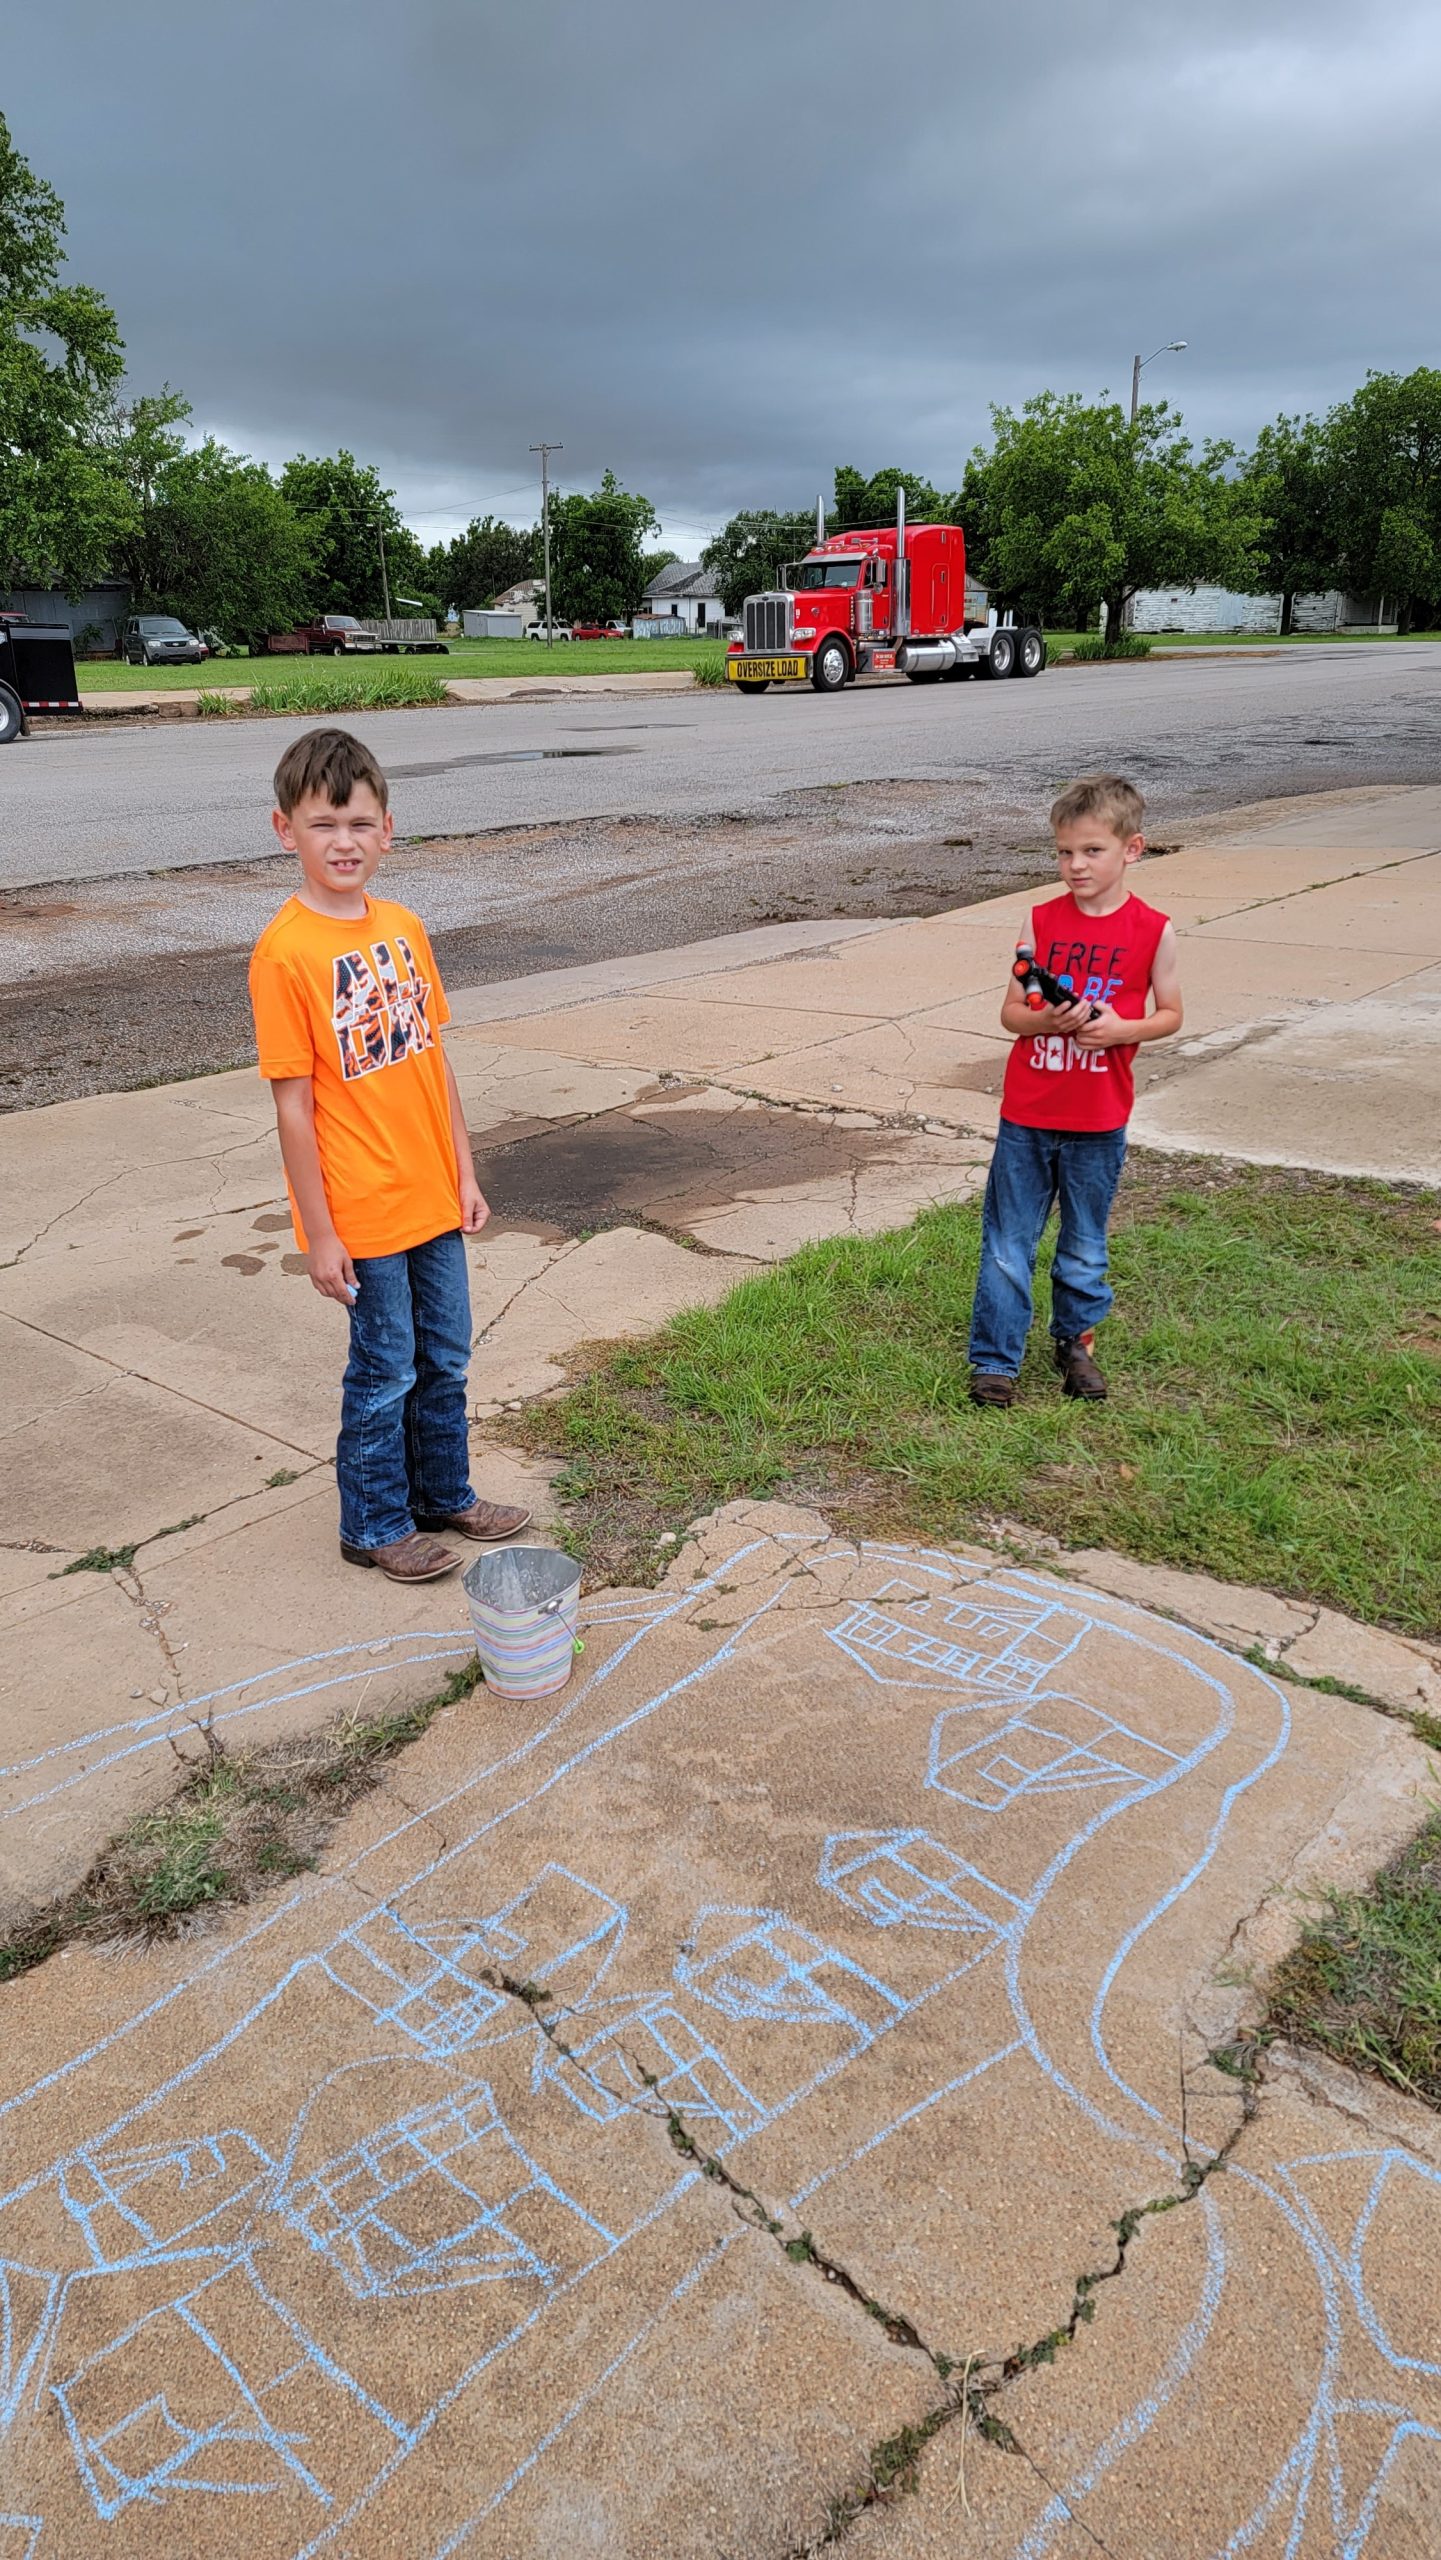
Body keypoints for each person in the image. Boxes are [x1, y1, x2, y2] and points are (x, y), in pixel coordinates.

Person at [248, 726, 530, 1580]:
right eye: (324, 824)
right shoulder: (285, 953)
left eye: (360, 824)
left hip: (433, 1192)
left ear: (388, 829)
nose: (344, 842)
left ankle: (443, 1492)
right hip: (361, 1209)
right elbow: (293, 1110)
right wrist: (318, 1233)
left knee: (445, 1355)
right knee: (384, 1370)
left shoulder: (403, 927)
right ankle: (373, 1523)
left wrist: (466, 1170)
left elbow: (431, 1061)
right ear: (284, 829)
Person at [967, 773, 1183, 1409]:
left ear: (1132, 850)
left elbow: (1170, 1013)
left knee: (1084, 1244)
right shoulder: (1039, 921)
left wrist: (1122, 1028)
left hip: (1099, 1115)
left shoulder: (1154, 930)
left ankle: (1075, 1345)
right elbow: (1012, 1011)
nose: (1075, 865)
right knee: (1008, 1242)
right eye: (1064, 852)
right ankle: (995, 1361)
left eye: (1091, 851)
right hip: (1029, 1113)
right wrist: (1044, 1019)